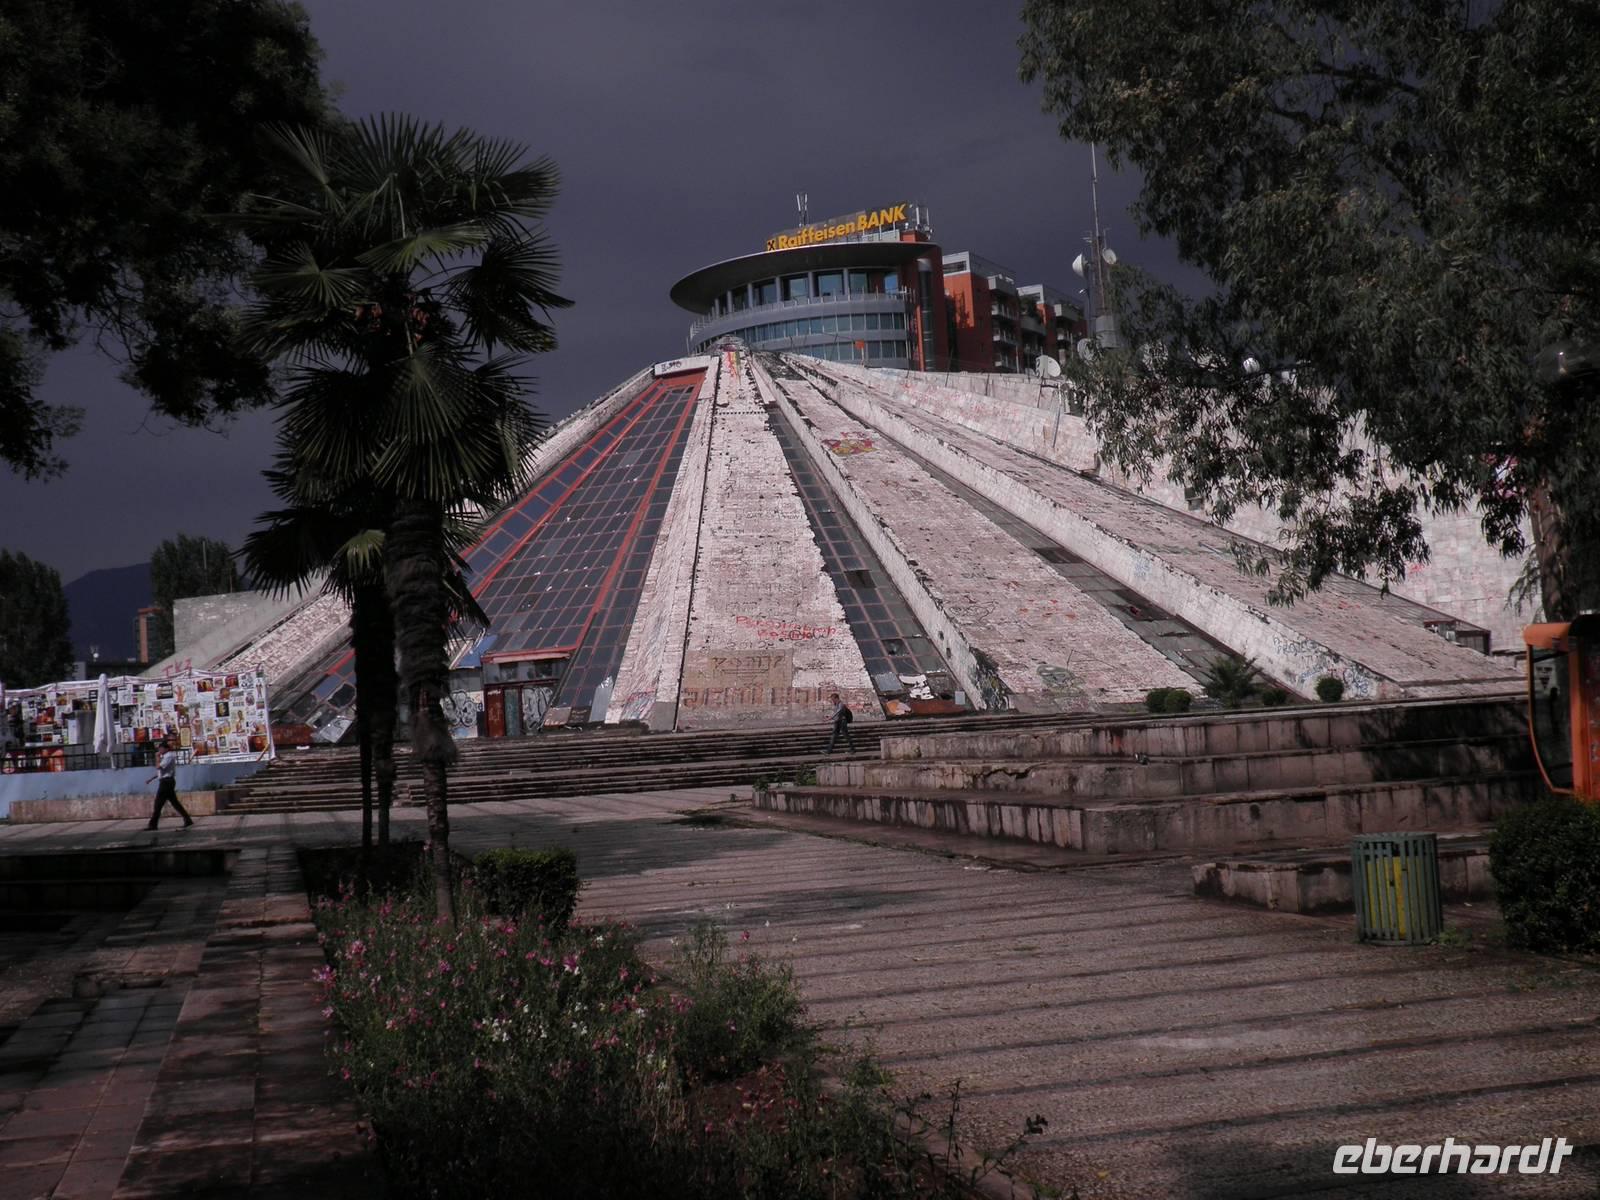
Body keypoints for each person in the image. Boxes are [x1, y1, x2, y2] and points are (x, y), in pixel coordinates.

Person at [144, 736, 193, 830]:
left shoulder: (169, 756)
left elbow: (159, 767)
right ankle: (187, 819)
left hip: (166, 783)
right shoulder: (166, 756)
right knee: (175, 803)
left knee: (158, 804)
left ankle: (153, 825)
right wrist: (151, 779)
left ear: (165, 748)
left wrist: (157, 757)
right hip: (165, 781)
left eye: (161, 749)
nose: (159, 751)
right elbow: (162, 772)